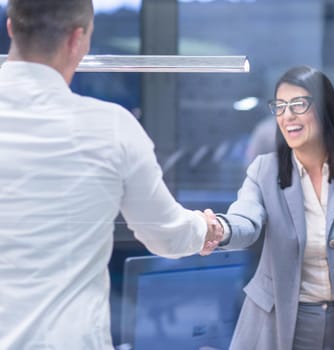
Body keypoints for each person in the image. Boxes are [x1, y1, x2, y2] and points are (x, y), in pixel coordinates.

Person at [0, 1, 223, 349]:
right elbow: (166, 234)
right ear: (79, 39)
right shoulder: (111, 127)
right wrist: (206, 229)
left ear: (11, 26)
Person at [217, 65, 334, 350]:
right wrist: (221, 228)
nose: (287, 114)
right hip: (276, 324)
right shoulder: (264, 170)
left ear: (325, 109)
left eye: (299, 104)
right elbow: (246, 219)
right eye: (279, 105)